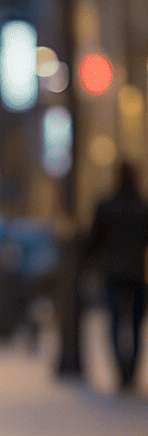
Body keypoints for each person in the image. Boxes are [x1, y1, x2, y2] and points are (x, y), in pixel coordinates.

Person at [83, 160, 148, 389]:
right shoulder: (143, 206)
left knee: (115, 322)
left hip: (113, 273)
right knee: (137, 326)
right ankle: (131, 370)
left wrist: (88, 264)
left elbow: (94, 242)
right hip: (138, 275)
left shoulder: (107, 205)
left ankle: (121, 369)